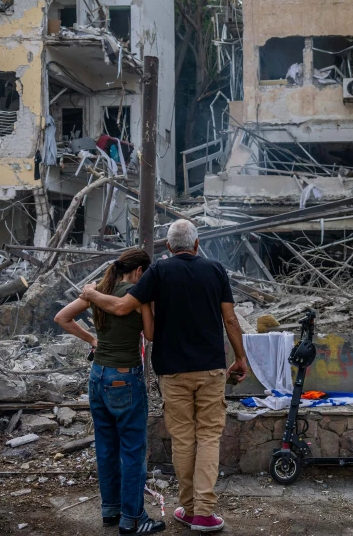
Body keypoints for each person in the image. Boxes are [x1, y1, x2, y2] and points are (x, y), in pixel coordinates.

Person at [81, 219, 249, 533]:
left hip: (172, 371)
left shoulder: (158, 271)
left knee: (184, 439)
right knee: (209, 436)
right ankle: (204, 513)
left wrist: (90, 293)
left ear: (169, 247)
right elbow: (230, 319)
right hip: (211, 368)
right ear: (196, 245)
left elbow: (120, 307)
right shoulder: (215, 270)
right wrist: (240, 358)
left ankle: (189, 508)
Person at [54, 249, 165, 535]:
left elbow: (62, 318)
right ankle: (134, 519)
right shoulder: (136, 295)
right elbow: (151, 335)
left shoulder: (99, 291)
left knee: (105, 447)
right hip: (125, 377)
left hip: (97, 376)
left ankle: (111, 511)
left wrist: (93, 339)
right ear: (140, 272)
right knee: (132, 450)